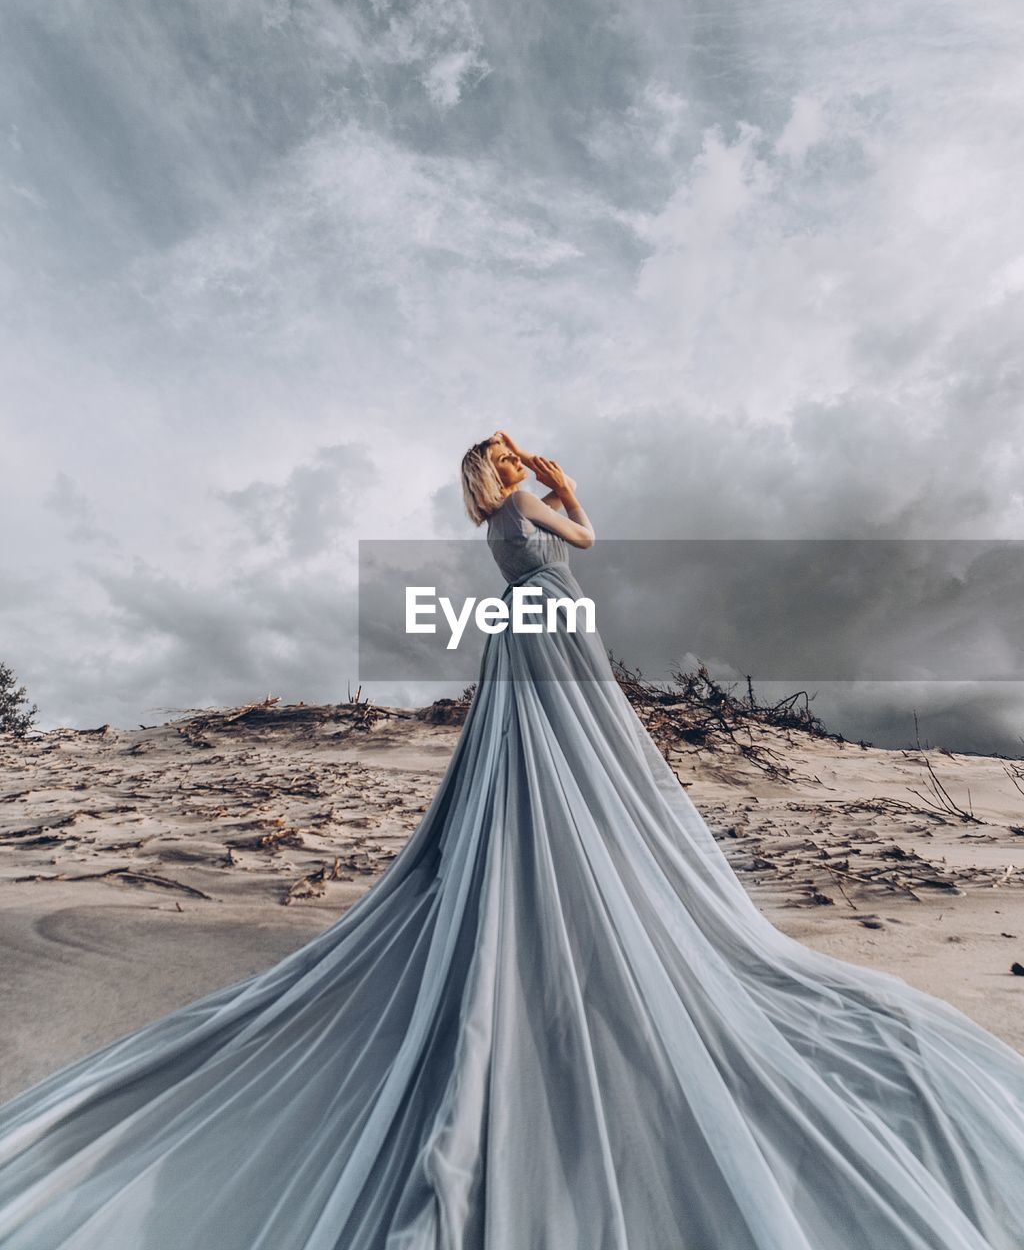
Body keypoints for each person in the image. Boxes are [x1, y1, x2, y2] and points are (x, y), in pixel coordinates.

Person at [0, 433, 1023, 1249]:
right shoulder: (525, 508)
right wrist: (562, 476)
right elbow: (589, 537)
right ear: (500, 471)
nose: (516, 469)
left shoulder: (489, 529)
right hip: (550, 630)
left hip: (520, 633)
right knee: (569, 751)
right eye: (508, 459)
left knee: (531, 753)